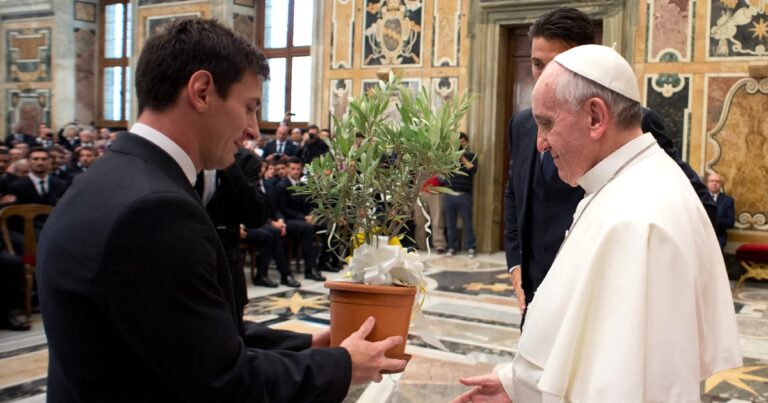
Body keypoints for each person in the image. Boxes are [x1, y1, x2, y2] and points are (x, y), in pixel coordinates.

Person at [37, 18, 405, 402]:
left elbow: (185, 336)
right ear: (201, 92)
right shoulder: (153, 212)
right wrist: (344, 365)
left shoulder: (113, 177)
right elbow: (222, 383)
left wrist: (307, 344)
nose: (253, 130)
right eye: (249, 107)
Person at [455, 44, 741, 403]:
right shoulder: (618, 183)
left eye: (546, 123)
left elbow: (623, 388)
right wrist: (517, 386)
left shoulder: (640, 219)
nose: (540, 143)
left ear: (595, 117)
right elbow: (587, 334)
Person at [503, 7, 717, 327]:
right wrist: (516, 263)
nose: (544, 75)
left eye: (556, 64)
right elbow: (514, 194)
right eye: (537, 64)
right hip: (537, 304)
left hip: (602, 310)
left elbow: (698, 209)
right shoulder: (521, 125)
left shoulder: (632, 123)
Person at [443, 133, 477, 258]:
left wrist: (461, 156)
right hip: (449, 195)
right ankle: (452, 247)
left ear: (466, 142)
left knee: (468, 222)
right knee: (450, 223)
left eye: (462, 141)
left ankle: (471, 247)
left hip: (465, 195)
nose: (460, 144)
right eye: (458, 142)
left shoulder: (472, 156)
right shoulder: (449, 157)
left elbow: (472, 170)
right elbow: (443, 173)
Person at [706, 172, 735, 249]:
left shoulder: (728, 201)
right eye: (711, 181)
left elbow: (730, 222)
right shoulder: (699, 198)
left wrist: (713, 220)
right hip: (700, 235)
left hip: (718, 237)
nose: (714, 183)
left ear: (721, 184)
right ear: (707, 183)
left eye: (717, 181)